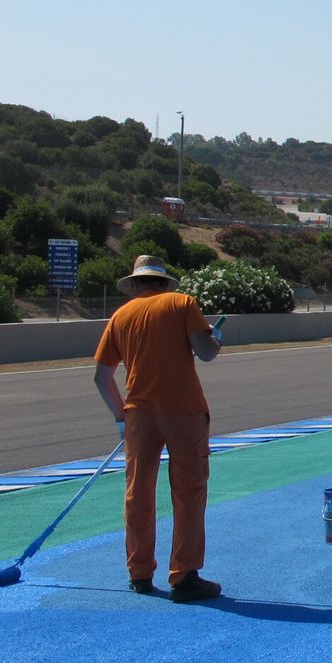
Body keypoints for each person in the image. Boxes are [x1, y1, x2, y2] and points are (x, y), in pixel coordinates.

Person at [93, 255, 224, 604]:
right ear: (164, 283)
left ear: (136, 284)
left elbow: (102, 377)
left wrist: (121, 417)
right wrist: (216, 338)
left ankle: (139, 573)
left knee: (138, 492)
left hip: (139, 414)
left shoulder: (120, 316)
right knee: (189, 492)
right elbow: (206, 353)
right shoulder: (182, 303)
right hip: (185, 411)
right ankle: (184, 576)